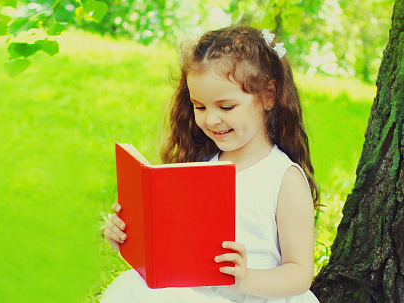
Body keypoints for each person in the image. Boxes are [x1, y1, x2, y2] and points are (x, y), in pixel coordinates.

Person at [101, 25, 321, 303]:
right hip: (198, 294)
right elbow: (177, 251)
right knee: (131, 286)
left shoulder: (282, 178)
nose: (211, 120)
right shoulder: (201, 166)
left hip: (254, 297)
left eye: (226, 107)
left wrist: (244, 278)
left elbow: (300, 273)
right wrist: (129, 239)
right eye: (200, 107)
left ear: (268, 96)